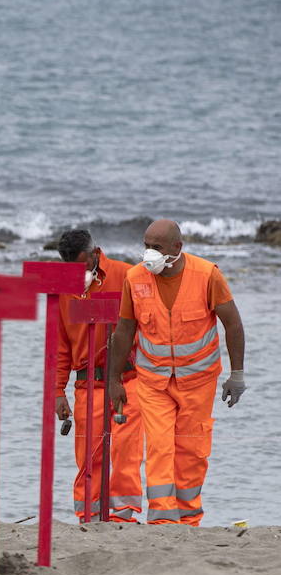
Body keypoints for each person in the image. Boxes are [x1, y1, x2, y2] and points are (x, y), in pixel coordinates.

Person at [107, 219, 246, 525]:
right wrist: (114, 379)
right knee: (158, 445)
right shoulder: (135, 278)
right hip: (153, 381)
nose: (149, 254)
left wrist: (237, 374)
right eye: (146, 246)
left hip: (198, 381)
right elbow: (125, 329)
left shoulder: (206, 274)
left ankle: (188, 517)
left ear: (176, 248)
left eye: (156, 248)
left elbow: (233, 323)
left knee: (192, 450)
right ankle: (162, 519)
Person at [53, 229, 143, 522]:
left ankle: (123, 517)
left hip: (128, 381)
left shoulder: (127, 275)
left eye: (82, 266)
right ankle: (88, 519)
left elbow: (147, 328)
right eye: (70, 269)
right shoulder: (63, 286)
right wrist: (57, 391)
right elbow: (60, 345)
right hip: (86, 384)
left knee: (126, 454)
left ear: (95, 253)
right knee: (89, 457)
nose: (77, 274)